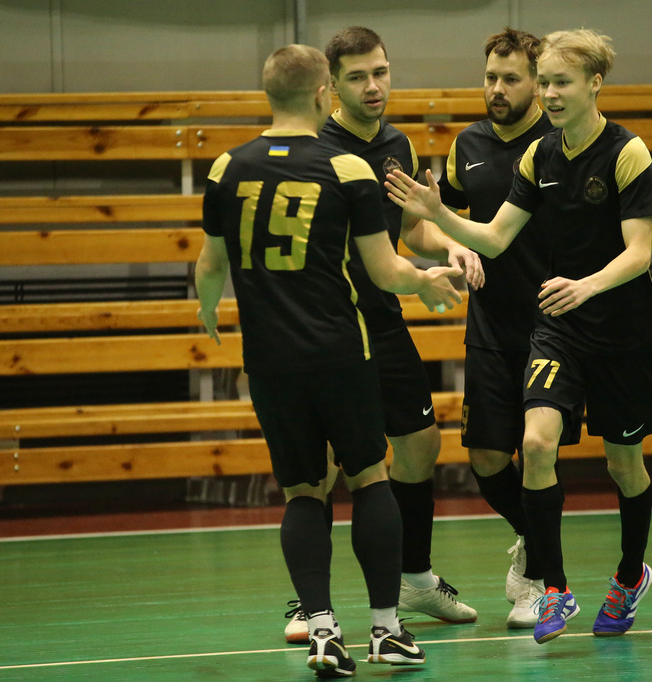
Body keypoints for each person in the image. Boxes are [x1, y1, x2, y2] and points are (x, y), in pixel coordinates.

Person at [386, 29, 652, 645]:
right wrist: (438, 213)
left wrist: (586, 286)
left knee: (625, 466)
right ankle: (555, 588)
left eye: (560, 82)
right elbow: (493, 238)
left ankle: (629, 575)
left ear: (595, 83)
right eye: (545, 83)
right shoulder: (538, 158)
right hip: (558, 330)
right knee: (536, 445)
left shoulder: (627, 152)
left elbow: (639, 253)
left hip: (621, 333)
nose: (550, 93)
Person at [196, 44, 462, 675]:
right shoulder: (346, 167)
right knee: (369, 477)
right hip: (342, 350)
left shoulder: (226, 167)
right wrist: (425, 281)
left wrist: (208, 313)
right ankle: (386, 631)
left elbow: (210, 266)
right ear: (324, 93)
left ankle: (321, 631)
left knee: (302, 491)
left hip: (269, 359)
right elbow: (385, 269)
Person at [315, 25, 482, 627]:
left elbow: (411, 227)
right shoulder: (316, 147)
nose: (373, 86)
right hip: (327, 327)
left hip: (382, 321)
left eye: (380, 72)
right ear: (332, 85)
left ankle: (415, 579)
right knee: (326, 463)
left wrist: (450, 243)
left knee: (420, 444)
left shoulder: (399, 147)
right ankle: (312, 601)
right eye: (358, 77)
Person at [435, 27, 580, 630]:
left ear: (537, 84)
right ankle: (534, 537)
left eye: (511, 79)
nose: (497, 89)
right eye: (491, 77)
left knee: (539, 451)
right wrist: (450, 246)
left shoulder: (562, 144)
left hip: (556, 327)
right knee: (487, 459)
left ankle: (541, 582)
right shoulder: (466, 145)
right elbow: (431, 221)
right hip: (490, 326)